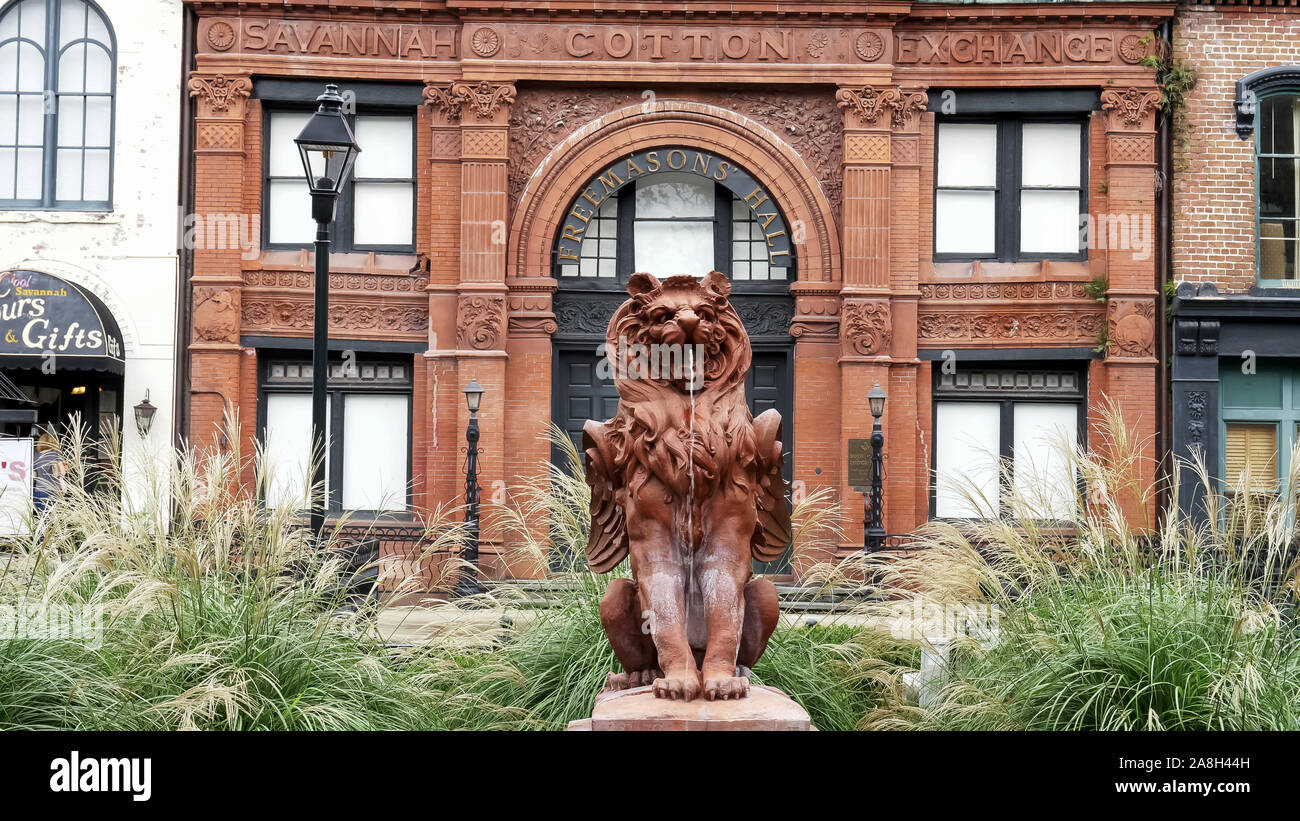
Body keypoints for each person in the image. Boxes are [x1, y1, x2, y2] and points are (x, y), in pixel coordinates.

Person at [32, 432, 67, 512]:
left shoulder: (36, 455)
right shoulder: (55, 454)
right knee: (51, 519)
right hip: (53, 491)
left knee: (41, 518)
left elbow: (34, 475)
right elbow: (62, 472)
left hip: (38, 491)